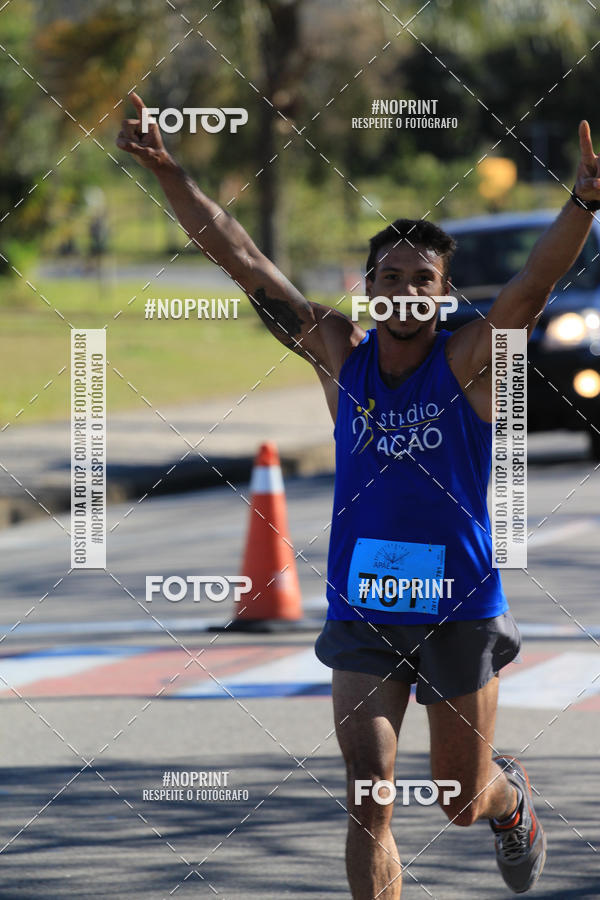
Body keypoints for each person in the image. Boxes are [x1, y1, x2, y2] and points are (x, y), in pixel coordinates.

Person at [117, 93, 600, 897]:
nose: (406, 291)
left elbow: (532, 285)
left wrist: (584, 200)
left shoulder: (470, 358)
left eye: (424, 281)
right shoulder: (339, 352)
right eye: (391, 277)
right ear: (368, 287)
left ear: (443, 298)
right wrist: (168, 170)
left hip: (459, 608)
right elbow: (239, 257)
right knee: (367, 798)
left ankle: (507, 803)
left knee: (457, 799)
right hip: (366, 609)